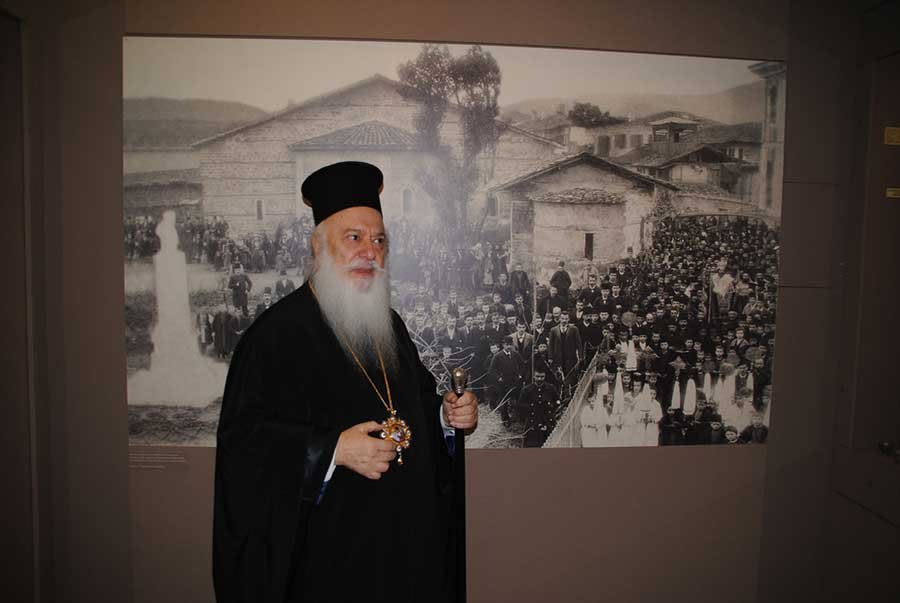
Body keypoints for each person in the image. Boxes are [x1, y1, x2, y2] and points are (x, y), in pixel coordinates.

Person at [213, 161, 478, 603]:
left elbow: (411, 405)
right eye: (354, 237)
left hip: (404, 554)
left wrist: (445, 416)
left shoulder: (390, 325)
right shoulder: (275, 335)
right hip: (328, 563)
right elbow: (244, 445)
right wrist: (331, 450)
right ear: (319, 247)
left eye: (379, 240)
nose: (370, 251)